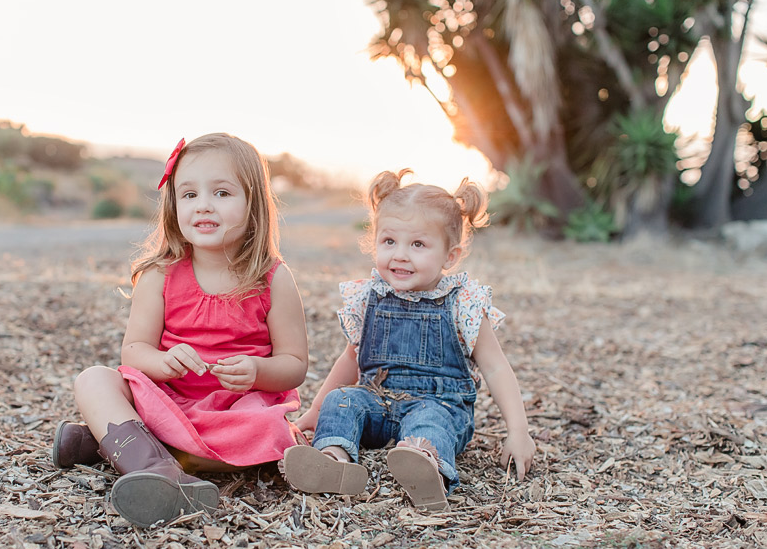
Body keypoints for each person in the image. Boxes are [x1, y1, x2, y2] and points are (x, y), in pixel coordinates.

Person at [52, 133, 309, 527]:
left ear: (253, 202)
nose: (203, 205)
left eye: (222, 193)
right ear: (173, 205)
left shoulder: (272, 279)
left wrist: (258, 372)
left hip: (235, 412)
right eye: (189, 195)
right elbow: (134, 351)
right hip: (165, 403)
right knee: (93, 380)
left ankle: (113, 447)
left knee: (269, 431)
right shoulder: (160, 275)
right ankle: (160, 472)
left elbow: (294, 365)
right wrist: (164, 361)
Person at [282, 170, 535, 511]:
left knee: (429, 422)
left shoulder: (462, 303)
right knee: (343, 400)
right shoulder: (369, 296)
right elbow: (350, 360)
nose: (400, 255)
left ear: (450, 256)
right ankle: (333, 459)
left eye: (417, 244)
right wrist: (317, 409)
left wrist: (518, 431)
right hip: (378, 402)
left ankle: (424, 467)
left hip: (439, 404)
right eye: (389, 242)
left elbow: (496, 367)